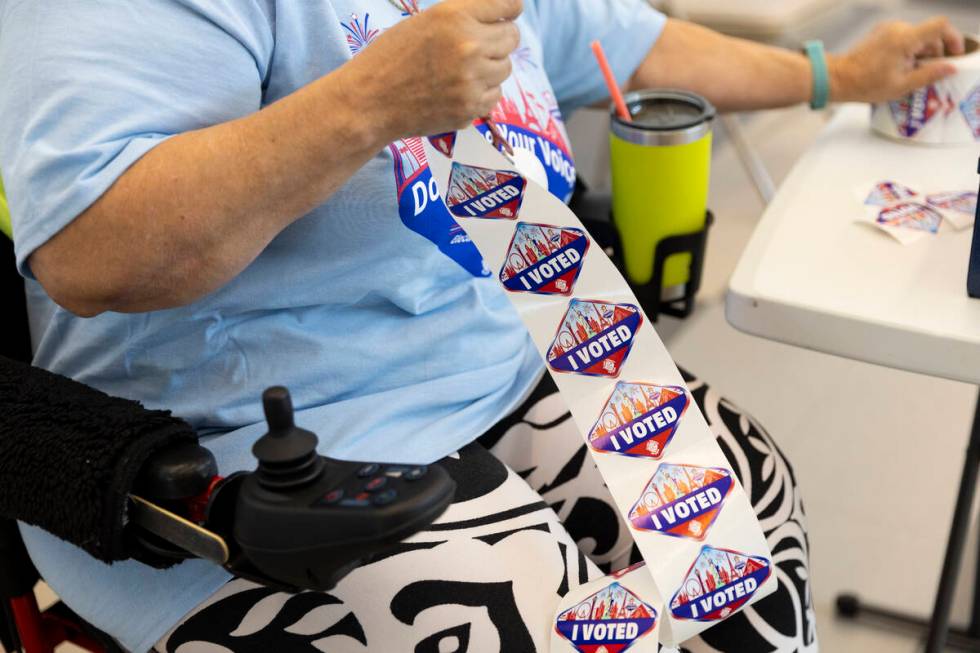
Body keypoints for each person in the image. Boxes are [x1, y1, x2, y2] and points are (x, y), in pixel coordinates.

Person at [0, 1, 965, 651]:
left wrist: (831, 71)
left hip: (510, 353)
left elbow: (616, 37)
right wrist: (367, 103)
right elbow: (90, 253)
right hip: (241, 459)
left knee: (748, 555)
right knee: (546, 627)